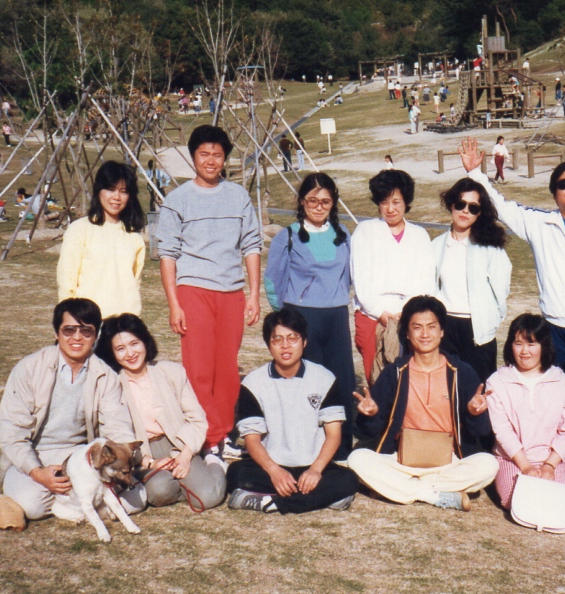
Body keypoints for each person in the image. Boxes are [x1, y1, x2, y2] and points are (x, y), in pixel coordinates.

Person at [460, 138, 565, 390]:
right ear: (554, 193)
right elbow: (502, 208)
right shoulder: (539, 223)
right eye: (563, 184)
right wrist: (475, 173)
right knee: (557, 398)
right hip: (553, 329)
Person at [155, 125, 263, 466]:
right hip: (193, 290)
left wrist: (254, 294)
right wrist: (175, 304)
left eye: (218, 154)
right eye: (204, 154)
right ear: (193, 157)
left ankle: (225, 432)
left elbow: (251, 246)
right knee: (198, 368)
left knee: (227, 368)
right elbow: (167, 254)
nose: (211, 161)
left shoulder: (238, 197)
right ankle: (208, 438)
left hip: (231, 290)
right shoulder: (178, 199)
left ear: (225, 159)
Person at [348, 296, 498, 511]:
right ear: (407, 333)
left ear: (442, 331)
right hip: (400, 460)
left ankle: (403, 489)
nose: (425, 334)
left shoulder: (461, 372)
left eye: (431, 327)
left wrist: (476, 413)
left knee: (488, 465)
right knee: (357, 459)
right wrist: (369, 415)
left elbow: (481, 431)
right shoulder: (394, 373)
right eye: (417, 327)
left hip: (448, 461)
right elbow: (369, 432)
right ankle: (433, 494)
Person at [0, 298, 142, 522]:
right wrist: (37, 473)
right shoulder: (29, 369)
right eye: (69, 330)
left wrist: (120, 459)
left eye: (86, 331)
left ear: (95, 336)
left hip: (80, 457)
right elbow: (12, 435)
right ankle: (83, 502)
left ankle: (76, 501)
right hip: (35, 455)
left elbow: (118, 427)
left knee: (138, 497)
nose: (77, 337)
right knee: (32, 505)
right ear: (57, 333)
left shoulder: (105, 376)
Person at [226, 308, 360, 514]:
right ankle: (322, 499)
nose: (285, 346)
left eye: (292, 338)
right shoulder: (253, 383)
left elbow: (334, 435)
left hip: (313, 466)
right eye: (277, 339)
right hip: (272, 467)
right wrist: (274, 471)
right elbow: (252, 439)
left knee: (348, 479)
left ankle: (270, 502)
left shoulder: (324, 378)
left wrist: (315, 470)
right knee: (235, 472)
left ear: (304, 342)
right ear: (269, 344)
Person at [264, 173, 356, 458]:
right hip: (301, 318)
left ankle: (339, 450)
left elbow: (350, 277)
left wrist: (335, 298)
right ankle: (303, 447)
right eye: (312, 200)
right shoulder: (287, 236)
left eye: (325, 201)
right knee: (305, 384)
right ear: (302, 202)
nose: (318, 206)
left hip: (336, 317)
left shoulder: (344, 237)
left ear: (333, 203)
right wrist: (287, 319)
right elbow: (272, 280)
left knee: (341, 381)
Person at [95, 314, 227, 509]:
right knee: (159, 491)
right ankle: (183, 483)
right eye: (120, 349)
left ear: (145, 342)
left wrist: (184, 457)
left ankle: (214, 463)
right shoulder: (111, 385)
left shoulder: (171, 372)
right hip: (142, 451)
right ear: (111, 353)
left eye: (134, 344)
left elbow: (196, 419)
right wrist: (150, 463)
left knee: (209, 497)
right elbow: (114, 435)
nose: (130, 353)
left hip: (179, 442)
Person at [485, 314, 565, 511]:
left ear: (544, 346)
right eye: (518, 343)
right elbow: (502, 431)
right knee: (519, 504)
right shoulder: (497, 381)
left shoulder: (562, 382)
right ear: (510, 345)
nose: (524, 351)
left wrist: (549, 466)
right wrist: (525, 466)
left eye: (531, 344)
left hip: (552, 461)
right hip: (512, 460)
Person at [350, 170, 435, 385]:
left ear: (406, 202)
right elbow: (361, 283)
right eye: (384, 202)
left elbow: (426, 282)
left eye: (396, 202)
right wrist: (383, 314)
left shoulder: (419, 235)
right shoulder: (365, 231)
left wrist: (406, 314)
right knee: (379, 381)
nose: (390, 209)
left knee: (411, 381)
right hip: (373, 316)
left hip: (410, 316)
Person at [432, 178, 511, 383]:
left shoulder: (490, 248)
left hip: (478, 330)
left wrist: (491, 319)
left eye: (473, 207)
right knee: (448, 388)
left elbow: (501, 289)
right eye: (460, 204)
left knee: (479, 389)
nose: (465, 211)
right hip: (446, 327)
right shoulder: (436, 245)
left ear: (479, 213)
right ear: (451, 205)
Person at [57, 161, 146, 319]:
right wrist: (69, 318)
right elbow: (67, 280)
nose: (116, 197)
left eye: (123, 191)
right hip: (88, 321)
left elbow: (135, 282)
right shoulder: (79, 230)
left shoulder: (134, 237)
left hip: (125, 323)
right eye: (111, 190)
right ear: (99, 191)